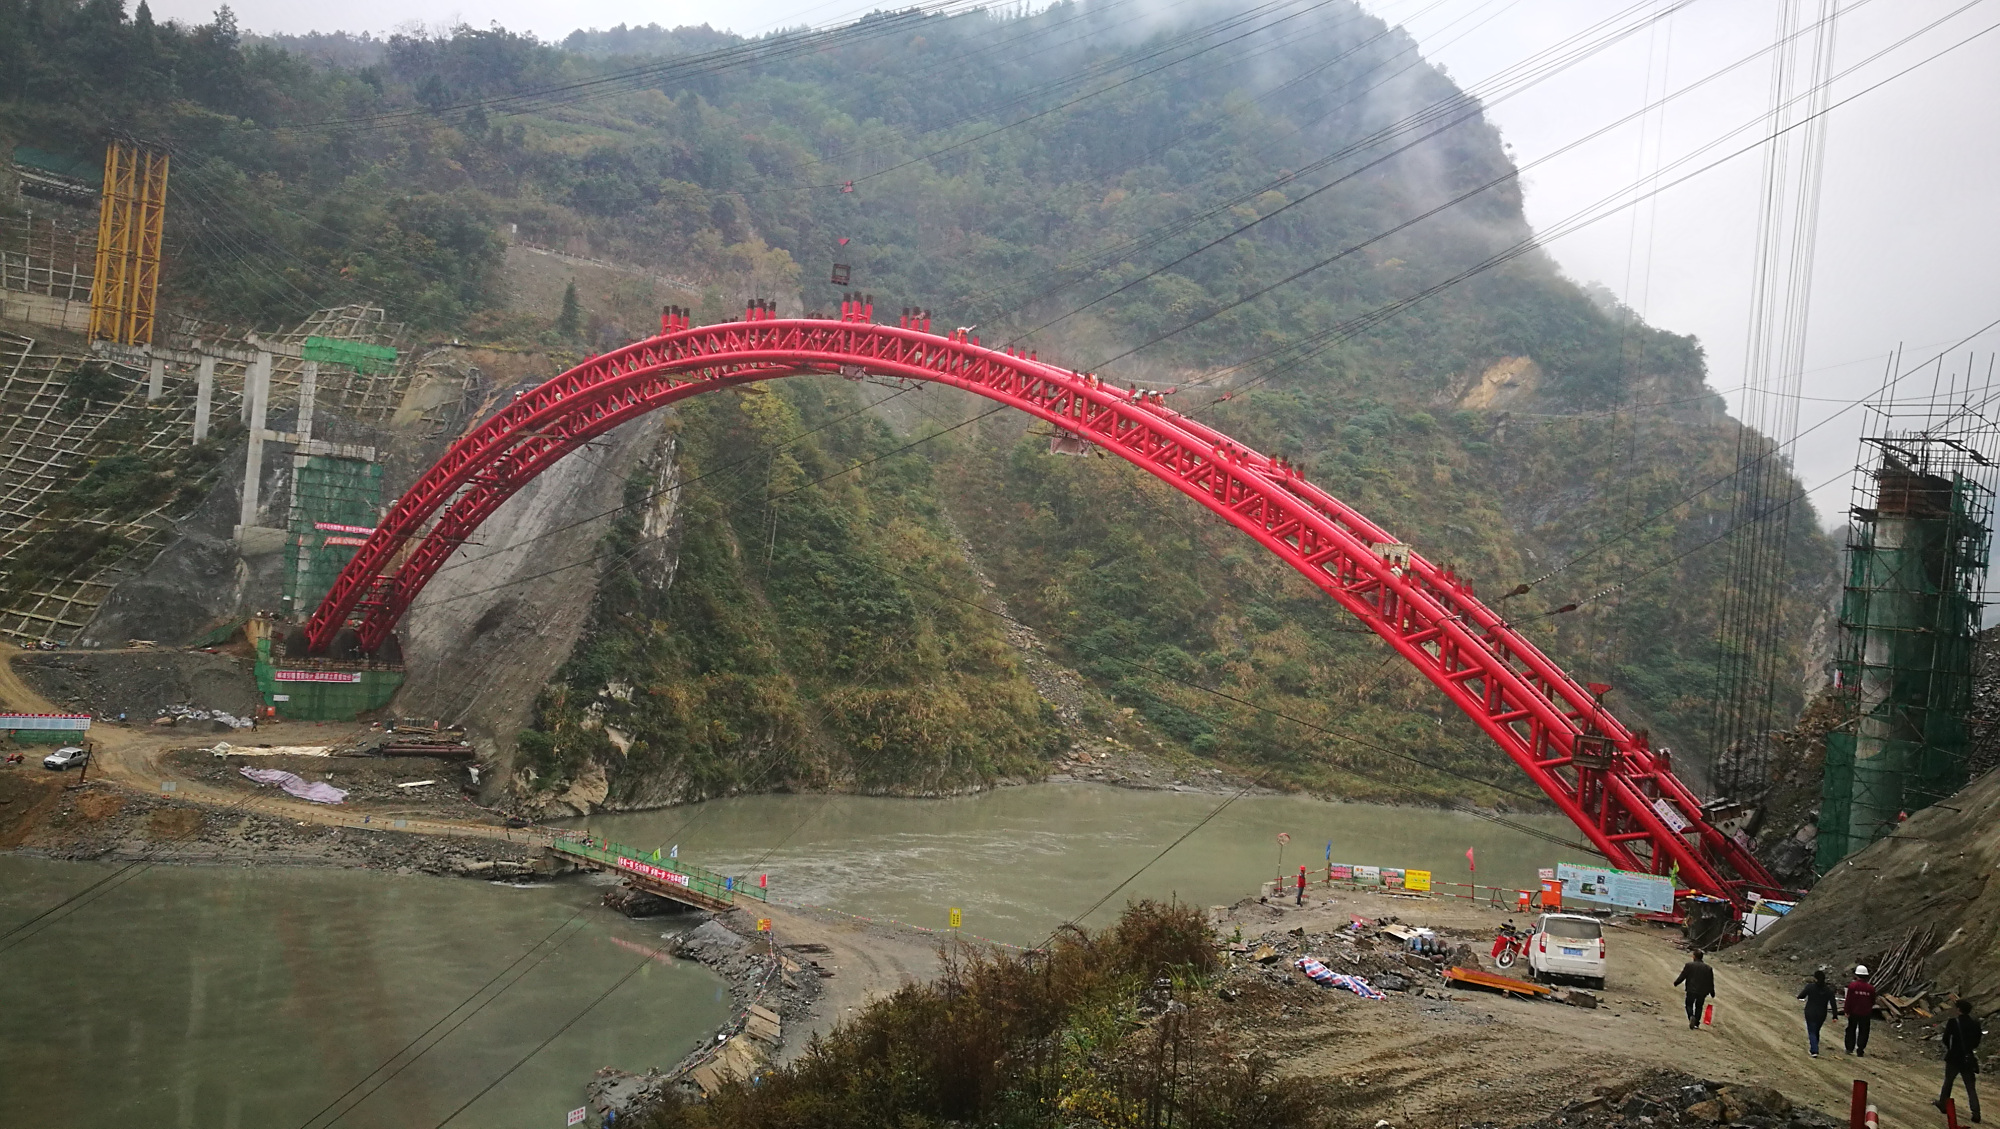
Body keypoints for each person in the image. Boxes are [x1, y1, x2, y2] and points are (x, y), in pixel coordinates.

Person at [1936, 999, 1984, 1122]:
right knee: (1970, 1087)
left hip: (1954, 1057)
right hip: (1968, 1058)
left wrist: (1952, 1049)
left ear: (1958, 1009)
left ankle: (1943, 1104)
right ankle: (1976, 1113)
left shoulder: (1953, 1022)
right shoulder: (1975, 1023)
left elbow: (1946, 1038)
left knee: (1948, 1082)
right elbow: (1977, 1041)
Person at [1798, 968, 1837, 1058]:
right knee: (1816, 1030)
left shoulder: (1810, 987)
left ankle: (1814, 1050)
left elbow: (1801, 996)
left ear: (1815, 978)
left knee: (1811, 1031)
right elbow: (1833, 1003)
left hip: (1810, 1011)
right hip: (1822, 1013)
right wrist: (1835, 1016)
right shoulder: (1828, 990)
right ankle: (1814, 1046)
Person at [1675, 949, 1716, 1030]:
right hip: (1703, 991)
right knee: (1699, 1006)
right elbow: (1710, 981)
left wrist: (1677, 982)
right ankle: (1696, 1023)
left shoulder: (1689, 965)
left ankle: (1691, 1016)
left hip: (1691, 989)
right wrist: (1712, 992)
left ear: (1694, 956)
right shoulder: (1708, 968)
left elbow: (1683, 975)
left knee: (1689, 1004)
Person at [1844, 965, 1878, 1056]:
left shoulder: (1852, 986)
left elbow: (1848, 999)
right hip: (1865, 1013)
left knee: (1851, 1029)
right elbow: (1873, 1000)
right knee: (1864, 1031)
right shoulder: (1871, 988)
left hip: (1853, 1012)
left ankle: (1849, 1048)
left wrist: (1846, 1010)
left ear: (1856, 975)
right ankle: (1860, 1049)